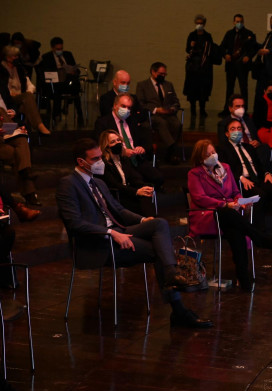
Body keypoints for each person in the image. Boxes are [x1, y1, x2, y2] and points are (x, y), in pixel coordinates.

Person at [56, 138, 213, 329]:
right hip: (96, 242)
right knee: (159, 251)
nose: (100, 162)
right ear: (81, 162)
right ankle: (179, 310)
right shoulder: (68, 184)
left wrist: (141, 220)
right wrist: (110, 233)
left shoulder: (98, 183)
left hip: (118, 231)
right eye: (96, 158)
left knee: (158, 223)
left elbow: (118, 210)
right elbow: (75, 223)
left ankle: (172, 275)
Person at [187, 139, 272, 291]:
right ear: (200, 157)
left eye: (213, 152)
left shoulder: (227, 169)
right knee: (227, 213)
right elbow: (199, 198)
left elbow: (236, 192)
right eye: (208, 154)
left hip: (229, 215)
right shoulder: (195, 173)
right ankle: (259, 238)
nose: (213, 156)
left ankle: (243, 278)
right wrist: (224, 204)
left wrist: (240, 202)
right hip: (207, 215)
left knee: (237, 233)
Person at [217, 119, 272, 245]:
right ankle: (260, 234)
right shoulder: (223, 149)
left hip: (257, 179)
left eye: (239, 128)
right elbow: (224, 170)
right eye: (233, 129)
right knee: (259, 195)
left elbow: (259, 165)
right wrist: (240, 177)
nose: (237, 131)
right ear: (227, 134)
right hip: (240, 182)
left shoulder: (249, 147)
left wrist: (267, 174)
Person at [95, 93, 164, 187]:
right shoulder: (103, 122)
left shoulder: (132, 120)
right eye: (123, 106)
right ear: (115, 106)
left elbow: (145, 139)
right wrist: (122, 151)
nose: (126, 110)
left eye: (129, 108)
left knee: (158, 177)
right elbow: (101, 146)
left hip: (136, 158)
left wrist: (141, 147)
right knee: (138, 182)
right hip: (119, 160)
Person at [96, 130, 156, 217]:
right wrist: (136, 191)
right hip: (116, 196)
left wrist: (144, 187)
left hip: (127, 192)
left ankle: (151, 222)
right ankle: (151, 223)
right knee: (141, 201)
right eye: (113, 142)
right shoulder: (104, 163)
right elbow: (114, 185)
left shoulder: (124, 159)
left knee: (146, 194)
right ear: (106, 146)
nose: (117, 143)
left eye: (118, 140)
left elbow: (134, 177)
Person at [0, 86, 41, 206]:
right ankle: (29, 192)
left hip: (6, 138)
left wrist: (18, 130)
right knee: (19, 154)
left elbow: (10, 127)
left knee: (22, 140)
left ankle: (25, 172)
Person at [136, 62, 182, 165]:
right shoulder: (142, 85)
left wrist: (173, 109)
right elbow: (140, 103)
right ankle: (172, 148)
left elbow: (176, 101)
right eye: (161, 74)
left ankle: (170, 151)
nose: (163, 76)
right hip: (152, 115)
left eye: (165, 74)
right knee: (161, 123)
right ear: (153, 72)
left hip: (168, 114)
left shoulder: (168, 85)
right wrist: (156, 110)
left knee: (177, 124)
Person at [1, 45, 50, 135]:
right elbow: (3, 87)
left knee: (26, 101)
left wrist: (28, 93)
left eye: (17, 56)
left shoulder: (19, 69)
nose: (16, 58)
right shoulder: (1, 69)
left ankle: (24, 133)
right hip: (8, 98)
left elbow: (31, 86)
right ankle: (38, 125)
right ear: (7, 57)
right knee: (27, 99)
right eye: (14, 56)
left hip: (20, 98)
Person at [217, 93, 271, 170]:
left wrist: (257, 142)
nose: (241, 109)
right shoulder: (223, 123)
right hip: (237, 149)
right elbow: (223, 143)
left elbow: (256, 137)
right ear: (230, 108)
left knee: (264, 148)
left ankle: (262, 174)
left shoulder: (249, 120)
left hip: (252, 149)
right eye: (237, 106)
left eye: (242, 106)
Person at [39, 36, 83, 125]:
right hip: (55, 82)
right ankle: (56, 114)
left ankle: (80, 115)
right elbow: (45, 72)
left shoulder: (68, 54)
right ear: (52, 48)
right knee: (57, 89)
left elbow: (75, 68)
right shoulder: (47, 57)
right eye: (57, 49)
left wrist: (73, 71)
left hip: (67, 80)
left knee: (75, 87)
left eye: (61, 48)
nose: (60, 50)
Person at [184, 14, 220, 122]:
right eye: (197, 23)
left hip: (204, 67)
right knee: (192, 89)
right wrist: (191, 45)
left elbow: (210, 50)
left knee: (203, 89)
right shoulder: (192, 35)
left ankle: (202, 109)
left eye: (201, 23)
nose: (199, 25)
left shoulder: (208, 35)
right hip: (193, 67)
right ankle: (193, 110)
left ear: (204, 24)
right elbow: (187, 49)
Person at [220, 14, 258, 114]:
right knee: (229, 88)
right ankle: (227, 110)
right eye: (237, 21)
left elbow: (254, 48)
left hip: (243, 65)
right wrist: (225, 55)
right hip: (231, 65)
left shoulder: (249, 34)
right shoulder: (229, 34)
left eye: (241, 21)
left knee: (243, 88)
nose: (239, 23)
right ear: (233, 22)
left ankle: (244, 110)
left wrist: (248, 57)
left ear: (243, 22)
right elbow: (222, 47)